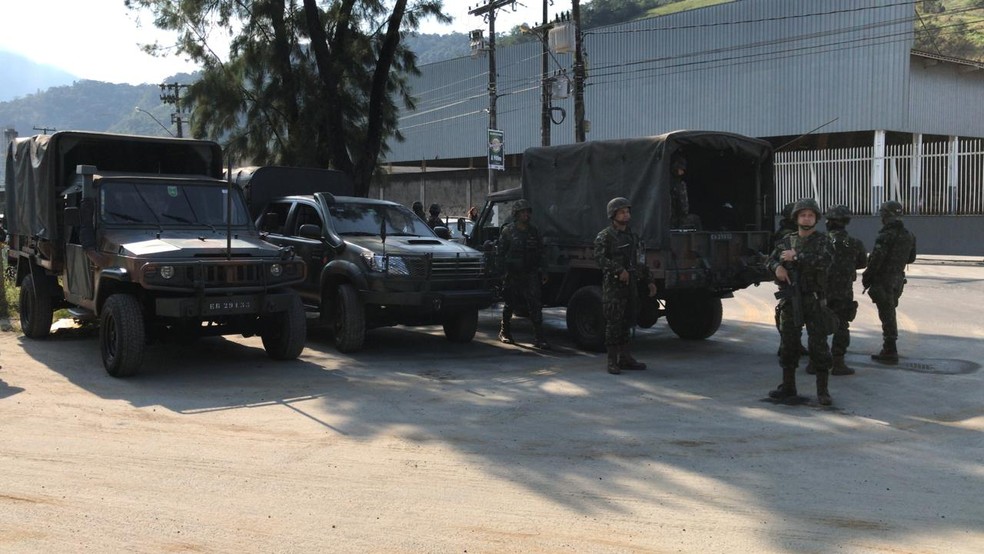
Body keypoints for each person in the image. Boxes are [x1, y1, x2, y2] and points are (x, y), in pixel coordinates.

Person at [767, 198, 835, 406]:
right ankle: (788, 386)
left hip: (813, 300)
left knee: (818, 345)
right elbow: (770, 259)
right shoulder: (787, 241)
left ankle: (822, 390)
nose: (807, 218)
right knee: (788, 344)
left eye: (811, 215)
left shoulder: (823, 241)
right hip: (790, 299)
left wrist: (797, 257)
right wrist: (776, 267)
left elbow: (825, 260)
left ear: (816, 218)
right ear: (796, 218)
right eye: (803, 215)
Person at [594, 197, 658, 375]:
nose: (626, 214)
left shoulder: (633, 236)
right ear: (613, 215)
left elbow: (640, 261)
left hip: (631, 286)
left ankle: (625, 357)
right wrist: (618, 270)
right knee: (614, 323)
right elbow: (600, 259)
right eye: (622, 212)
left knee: (628, 321)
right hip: (614, 287)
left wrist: (650, 280)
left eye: (627, 211)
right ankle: (612, 360)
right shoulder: (605, 236)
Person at [807, 205, 867, 376]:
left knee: (817, 326)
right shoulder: (854, 243)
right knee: (841, 326)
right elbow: (862, 263)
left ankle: (814, 363)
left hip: (820, 292)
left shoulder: (818, 240)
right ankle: (838, 363)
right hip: (843, 292)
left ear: (829, 222)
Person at [862, 200, 917, 364]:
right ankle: (889, 347)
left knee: (887, 315)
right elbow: (911, 258)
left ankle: (890, 350)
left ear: (885, 215)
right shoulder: (909, 235)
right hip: (898, 280)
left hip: (884, 280)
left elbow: (876, 260)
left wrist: (867, 277)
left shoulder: (885, 236)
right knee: (890, 311)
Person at [497, 200, 549, 349]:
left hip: (530, 273)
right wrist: (501, 273)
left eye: (527, 212)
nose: (526, 215)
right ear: (516, 214)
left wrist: (544, 271)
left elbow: (541, 252)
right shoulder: (508, 231)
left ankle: (539, 337)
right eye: (523, 212)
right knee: (510, 304)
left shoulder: (534, 231)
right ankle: (505, 332)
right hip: (512, 274)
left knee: (535, 305)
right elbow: (500, 254)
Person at [774, 201, 807, 357]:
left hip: (800, 279)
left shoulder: (797, 233)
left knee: (798, 313)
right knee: (789, 313)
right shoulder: (786, 235)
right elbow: (775, 258)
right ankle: (786, 345)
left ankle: (795, 344)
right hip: (789, 279)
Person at [669, 153, 700, 229]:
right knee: (696, 219)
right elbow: (684, 208)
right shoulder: (679, 184)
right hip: (675, 219)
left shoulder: (664, 181)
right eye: (681, 169)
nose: (683, 172)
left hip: (664, 219)